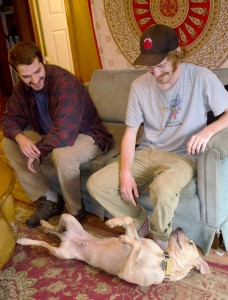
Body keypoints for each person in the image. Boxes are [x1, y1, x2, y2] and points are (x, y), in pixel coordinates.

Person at [87, 24, 228, 249]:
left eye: (161, 65)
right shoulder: (139, 86)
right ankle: (139, 222)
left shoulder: (201, 77)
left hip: (183, 157)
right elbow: (130, 132)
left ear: (176, 55)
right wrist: (124, 173)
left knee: (162, 189)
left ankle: (160, 241)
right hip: (148, 152)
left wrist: (207, 131)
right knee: (97, 184)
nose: (155, 73)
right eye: (149, 67)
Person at [1, 41, 113, 227]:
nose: (35, 81)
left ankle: (75, 211)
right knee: (9, 144)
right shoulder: (21, 88)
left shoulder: (64, 83)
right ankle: (49, 199)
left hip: (87, 135)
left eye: (38, 71)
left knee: (62, 155)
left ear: (43, 61)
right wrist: (21, 139)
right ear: (18, 74)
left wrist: (36, 150)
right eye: (27, 76)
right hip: (52, 135)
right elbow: (8, 120)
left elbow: (64, 134)